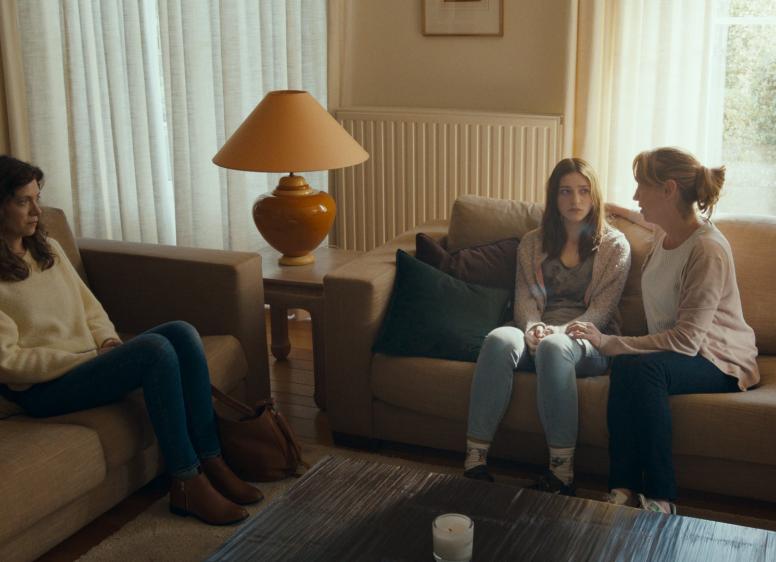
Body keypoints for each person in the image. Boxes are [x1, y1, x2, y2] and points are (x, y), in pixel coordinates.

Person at [0, 154, 262, 526]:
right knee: (155, 350)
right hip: (44, 389)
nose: (36, 211)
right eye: (23, 202)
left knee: (182, 332)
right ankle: (186, 480)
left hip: (88, 362)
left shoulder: (47, 249)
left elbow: (90, 308)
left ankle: (212, 458)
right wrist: (85, 359)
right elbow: (8, 361)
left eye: (37, 198)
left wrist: (107, 342)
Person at [569, 147, 759, 514]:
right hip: (679, 354)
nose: (636, 195)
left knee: (642, 367)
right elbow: (642, 219)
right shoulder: (667, 232)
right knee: (627, 366)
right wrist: (606, 208)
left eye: (641, 186)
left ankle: (660, 497)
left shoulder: (707, 250)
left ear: (669, 189)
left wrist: (610, 342)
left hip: (718, 359)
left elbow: (686, 341)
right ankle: (622, 489)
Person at [464, 158, 631, 494]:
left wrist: (555, 333)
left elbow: (600, 312)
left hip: (586, 339)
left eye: (584, 191)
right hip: (535, 329)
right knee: (498, 339)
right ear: (554, 197)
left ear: (595, 196)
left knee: (554, 348)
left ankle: (561, 474)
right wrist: (532, 327)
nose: (575, 200)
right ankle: (475, 460)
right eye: (565, 191)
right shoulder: (531, 243)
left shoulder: (615, 246)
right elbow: (524, 297)